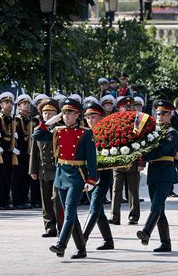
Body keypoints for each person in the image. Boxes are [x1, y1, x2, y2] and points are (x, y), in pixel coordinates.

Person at [42, 98, 97, 259]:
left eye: (69, 113)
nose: (66, 116)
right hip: (61, 174)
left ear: (77, 114)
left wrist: (92, 179)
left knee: (70, 211)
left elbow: (92, 158)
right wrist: (51, 121)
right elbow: (37, 135)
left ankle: (61, 244)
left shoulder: (85, 133)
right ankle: (82, 249)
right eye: (64, 113)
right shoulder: (58, 130)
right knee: (69, 214)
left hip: (76, 175)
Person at [136, 100, 178, 252]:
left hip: (165, 173)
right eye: (158, 113)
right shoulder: (153, 132)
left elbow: (160, 150)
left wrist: (143, 153)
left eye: (163, 113)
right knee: (160, 210)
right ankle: (166, 243)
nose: (160, 116)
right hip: (153, 173)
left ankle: (146, 231)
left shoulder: (172, 133)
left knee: (157, 205)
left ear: (170, 115)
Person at [82, 101, 115, 250]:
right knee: (98, 210)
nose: (90, 120)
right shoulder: (84, 134)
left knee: (94, 208)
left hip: (102, 176)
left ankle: (82, 239)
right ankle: (108, 240)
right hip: (88, 177)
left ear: (100, 118)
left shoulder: (107, 134)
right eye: (88, 117)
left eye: (93, 117)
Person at [30, 98, 64, 238]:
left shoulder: (61, 129)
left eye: (50, 113)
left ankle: (62, 226)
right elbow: (35, 152)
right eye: (45, 113)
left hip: (57, 169)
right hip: (43, 169)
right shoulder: (39, 130)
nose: (47, 116)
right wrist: (32, 169)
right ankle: (50, 227)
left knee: (57, 199)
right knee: (45, 200)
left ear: (56, 115)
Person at [109, 96, 142, 225]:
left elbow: (142, 143)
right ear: (120, 108)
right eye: (125, 107)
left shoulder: (138, 122)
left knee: (133, 190)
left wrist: (141, 162)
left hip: (133, 162)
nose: (128, 109)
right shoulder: (114, 122)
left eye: (130, 106)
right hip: (118, 161)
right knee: (116, 190)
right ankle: (114, 216)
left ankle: (134, 216)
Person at [0, 92, 20, 210]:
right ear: (1, 104)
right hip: (1, 150)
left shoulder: (11, 119)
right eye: (6, 102)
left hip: (9, 151)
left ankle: (5, 200)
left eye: (10, 103)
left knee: (7, 177)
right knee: (0, 177)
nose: (9, 105)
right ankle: (0, 201)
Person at [12, 93, 34, 209]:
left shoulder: (28, 119)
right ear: (19, 106)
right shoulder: (16, 119)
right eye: (24, 104)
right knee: (17, 176)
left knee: (26, 176)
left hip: (27, 151)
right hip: (18, 151)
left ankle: (23, 198)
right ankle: (17, 200)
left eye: (28, 104)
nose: (26, 106)